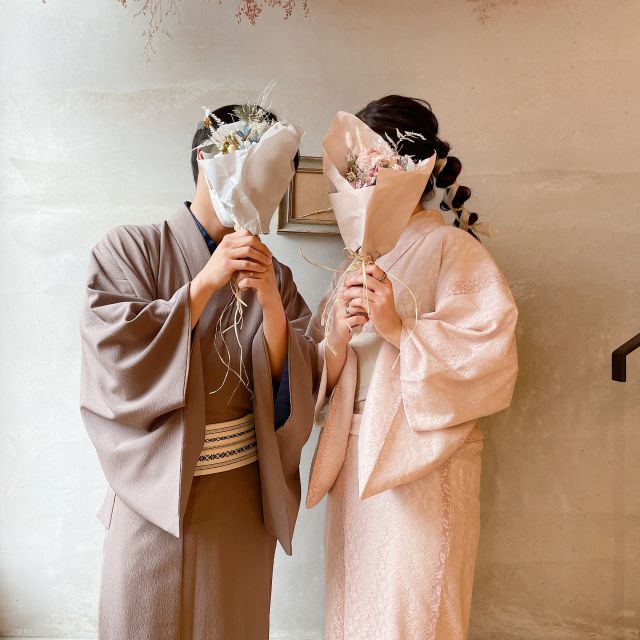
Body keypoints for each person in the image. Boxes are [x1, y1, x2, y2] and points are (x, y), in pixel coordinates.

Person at [79, 104, 317, 640]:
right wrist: (203, 285)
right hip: (153, 498)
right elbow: (114, 358)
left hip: (239, 500)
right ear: (212, 161)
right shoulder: (130, 249)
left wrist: (272, 309)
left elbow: (299, 383)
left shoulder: (274, 275)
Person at [307, 95, 519, 640]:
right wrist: (338, 334)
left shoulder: (453, 248)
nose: (364, 178)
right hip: (355, 460)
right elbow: (326, 373)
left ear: (413, 170)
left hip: (424, 461)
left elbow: (488, 356)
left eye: (373, 164)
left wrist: (398, 328)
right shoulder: (358, 259)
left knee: (415, 615)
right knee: (356, 611)